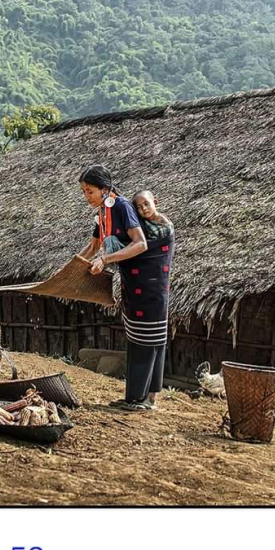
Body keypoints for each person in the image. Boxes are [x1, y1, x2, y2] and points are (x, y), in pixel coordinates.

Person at [76, 165, 175, 411]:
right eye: (84, 192)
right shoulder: (102, 212)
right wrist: (70, 268)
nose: (86, 196)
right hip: (132, 282)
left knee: (148, 339)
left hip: (149, 281)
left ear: (105, 189)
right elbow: (92, 247)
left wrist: (106, 259)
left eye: (89, 191)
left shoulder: (121, 207)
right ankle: (138, 397)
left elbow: (141, 244)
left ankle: (144, 399)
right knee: (138, 338)